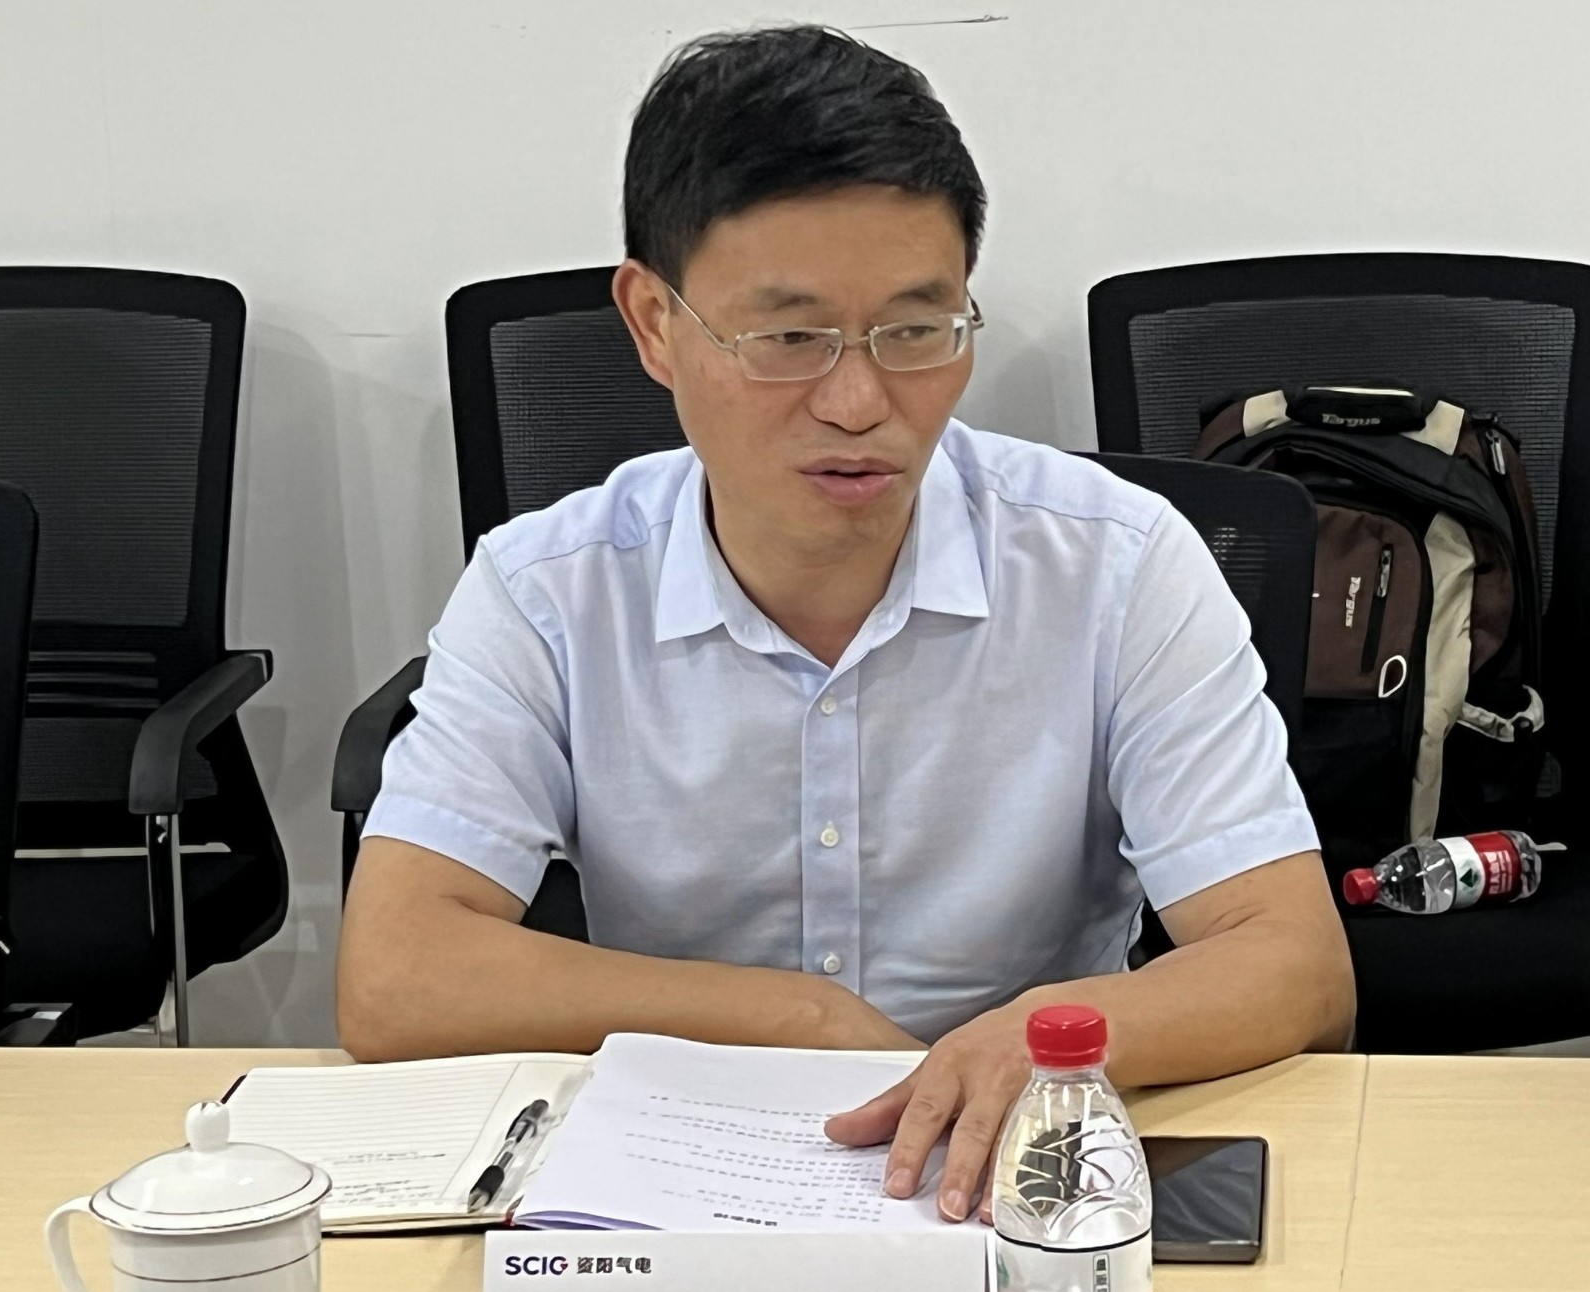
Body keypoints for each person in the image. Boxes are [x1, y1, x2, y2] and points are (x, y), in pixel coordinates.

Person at [338, 24, 1354, 1222]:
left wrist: (1038, 1036)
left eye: (916, 330)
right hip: (688, 1179)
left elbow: (1293, 962)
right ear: (653, 322)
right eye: (789, 338)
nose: (861, 401)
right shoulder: (549, 588)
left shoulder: (1115, 565)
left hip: (1018, 1169)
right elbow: (396, 976)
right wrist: (796, 1018)